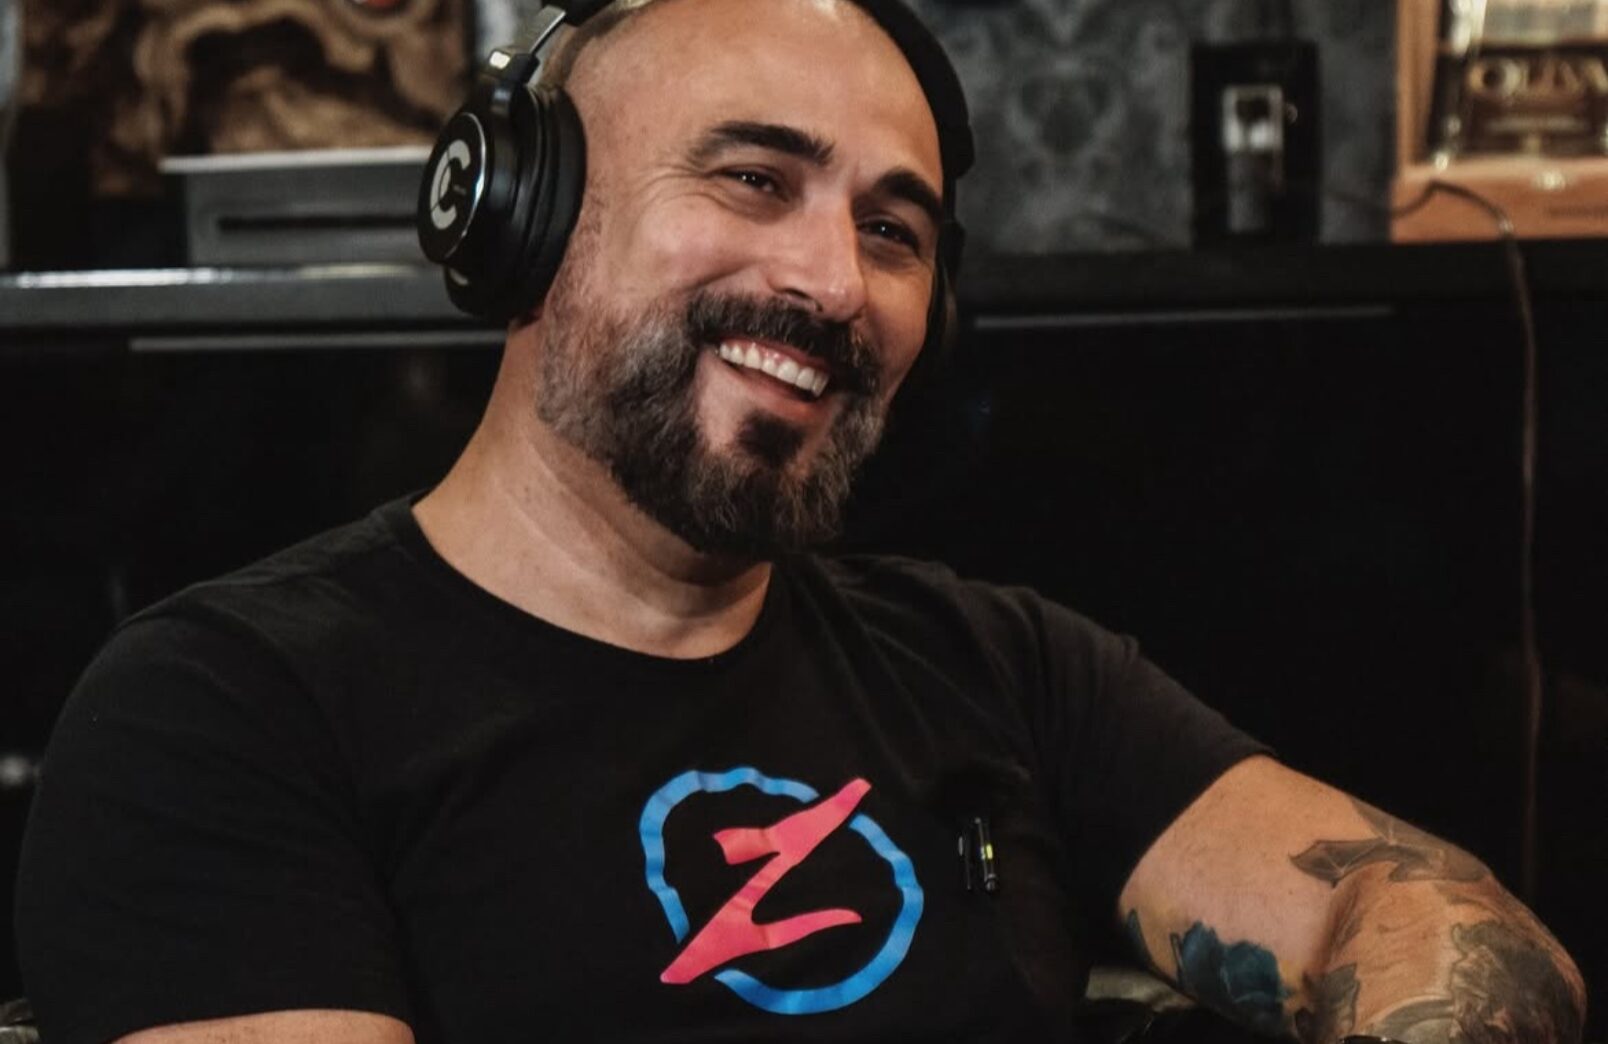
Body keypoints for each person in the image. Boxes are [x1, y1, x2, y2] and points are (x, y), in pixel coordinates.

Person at [15, 0, 1587, 1042]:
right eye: (757, 180)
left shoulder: (1001, 665)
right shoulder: (222, 716)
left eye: (892, 229)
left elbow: (1436, 917)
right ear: (521, 219)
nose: (834, 284)